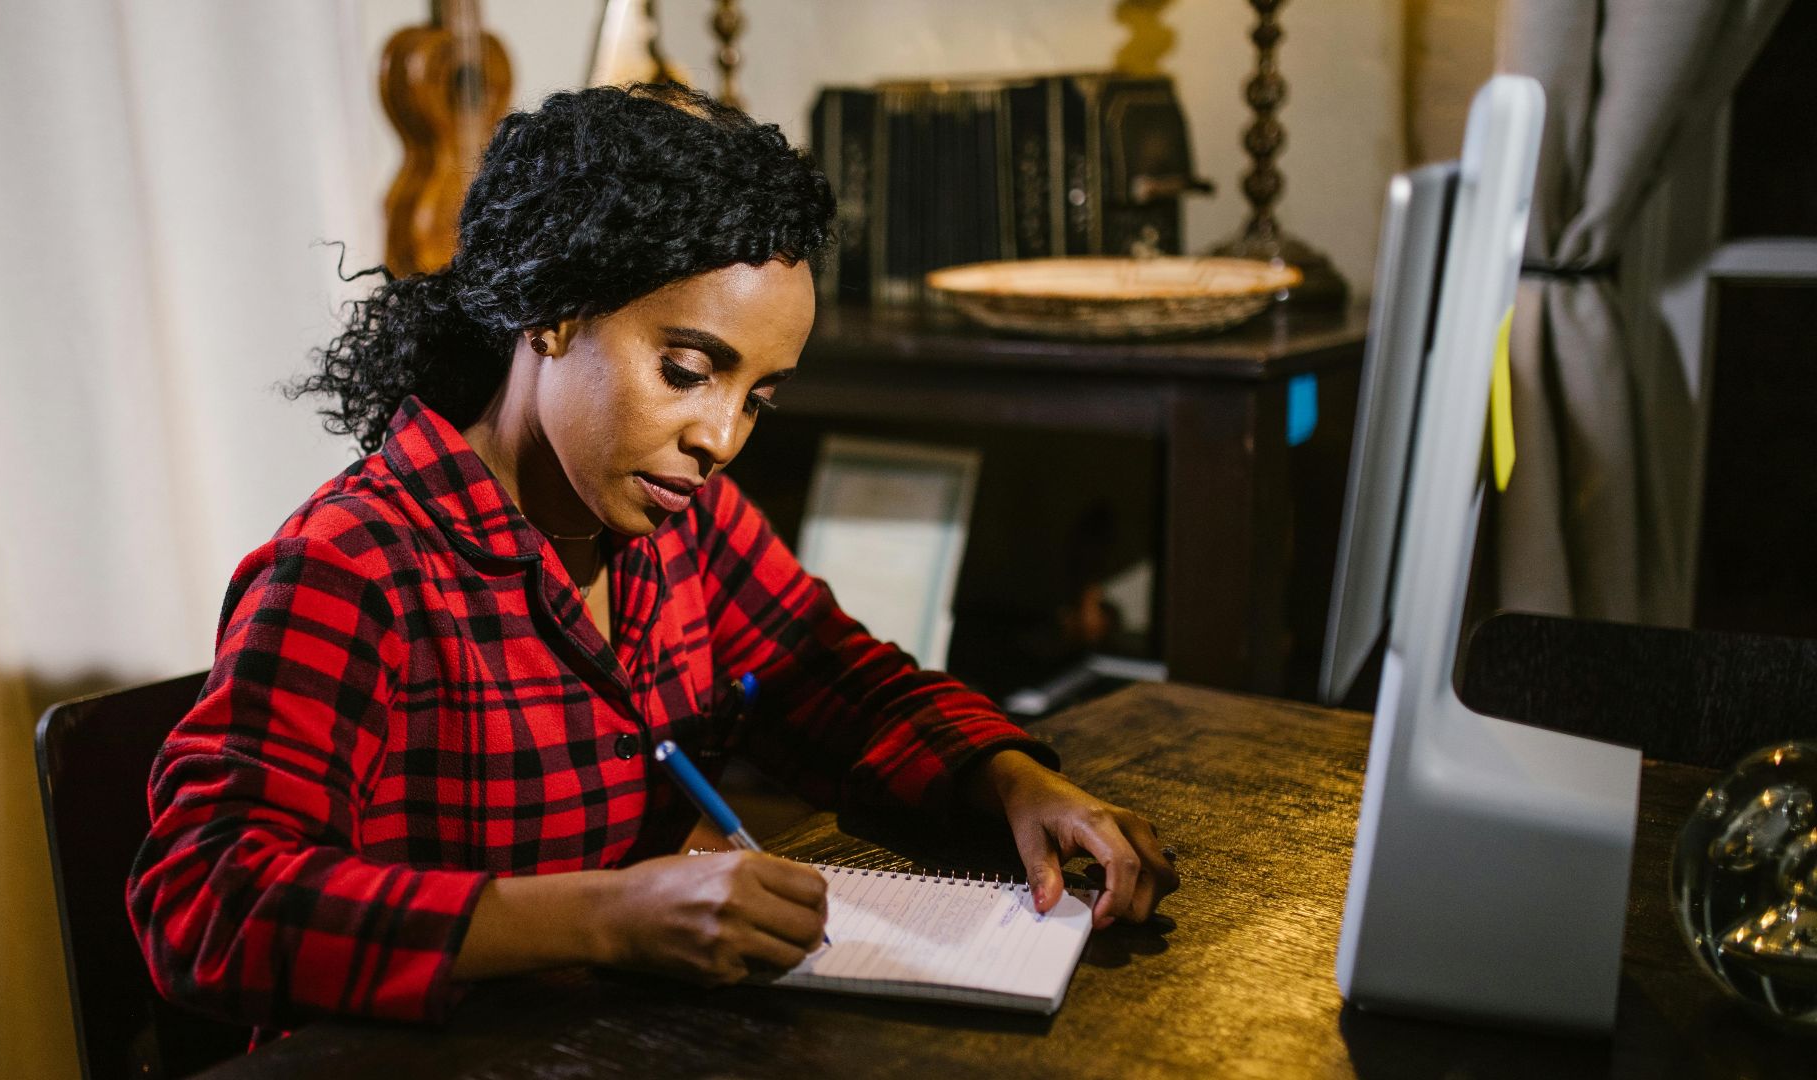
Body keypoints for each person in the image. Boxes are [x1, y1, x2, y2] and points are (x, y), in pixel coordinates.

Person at [127, 83, 1179, 1031]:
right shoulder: (358, 564)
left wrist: (1011, 780)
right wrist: (606, 916)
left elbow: (830, 675)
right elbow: (207, 901)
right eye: (687, 370)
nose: (721, 436)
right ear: (550, 312)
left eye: (757, 397)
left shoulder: (681, 523)